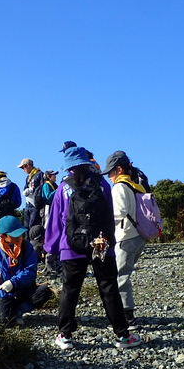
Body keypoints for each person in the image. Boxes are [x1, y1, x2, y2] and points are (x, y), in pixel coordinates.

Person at [44, 146, 141, 350]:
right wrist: (110, 242)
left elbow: (55, 220)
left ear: (68, 167)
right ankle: (122, 336)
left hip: (71, 244)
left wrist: (51, 247)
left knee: (70, 289)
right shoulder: (102, 184)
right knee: (108, 287)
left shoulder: (63, 188)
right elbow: (109, 214)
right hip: (101, 243)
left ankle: (65, 335)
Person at [0, 216, 52, 326]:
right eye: (14, 235)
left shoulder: (26, 247)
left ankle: (18, 311)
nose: (19, 237)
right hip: (1, 293)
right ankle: (10, 313)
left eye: (20, 233)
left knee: (44, 291)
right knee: (2, 322)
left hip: (22, 290)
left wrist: (13, 282)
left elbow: (31, 271)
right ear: (3, 235)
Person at [101, 150, 146, 330]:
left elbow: (118, 213)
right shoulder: (137, 185)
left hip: (125, 235)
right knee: (123, 275)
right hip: (139, 235)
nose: (109, 176)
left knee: (120, 276)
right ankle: (125, 315)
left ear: (119, 170)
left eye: (111, 172)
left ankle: (127, 317)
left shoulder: (120, 187)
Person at [18, 158, 45, 230]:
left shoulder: (40, 174)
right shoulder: (28, 177)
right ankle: (27, 240)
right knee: (26, 225)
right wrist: (26, 191)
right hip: (28, 203)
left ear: (27, 166)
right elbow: (25, 188)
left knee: (33, 224)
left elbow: (42, 188)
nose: (23, 170)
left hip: (35, 204)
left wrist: (33, 190)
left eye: (23, 167)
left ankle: (34, 240)